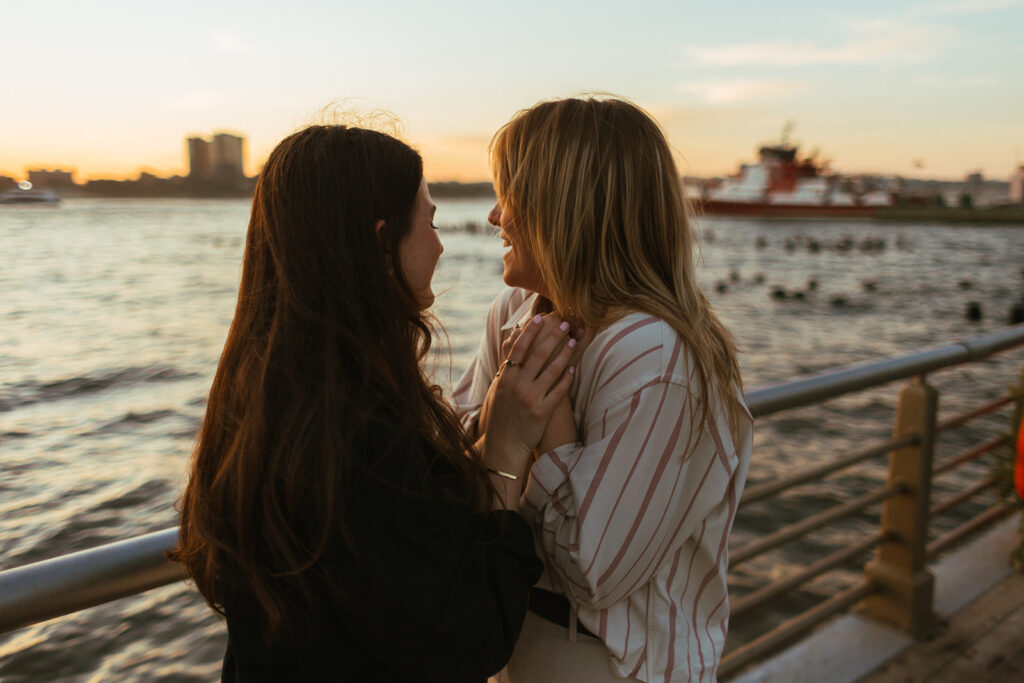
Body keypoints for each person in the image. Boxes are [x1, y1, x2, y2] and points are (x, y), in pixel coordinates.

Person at [171, 124, 578, 682]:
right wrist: (506, 451)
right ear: (380, 243)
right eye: (429, 223)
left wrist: (483, 435)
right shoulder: (357, 433)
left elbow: (387, 562)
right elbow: (469, 638)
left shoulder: (269, 399)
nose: (440, 244)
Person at [453, 97, 754, 682]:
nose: (494, 217)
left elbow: (593, 572)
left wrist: (547, 425)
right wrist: (503, 437)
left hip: (610, 665)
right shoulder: (515, 312)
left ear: (563, 207)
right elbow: (456, 469)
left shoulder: (657, 356)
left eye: (508, 194)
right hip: (511, 645)